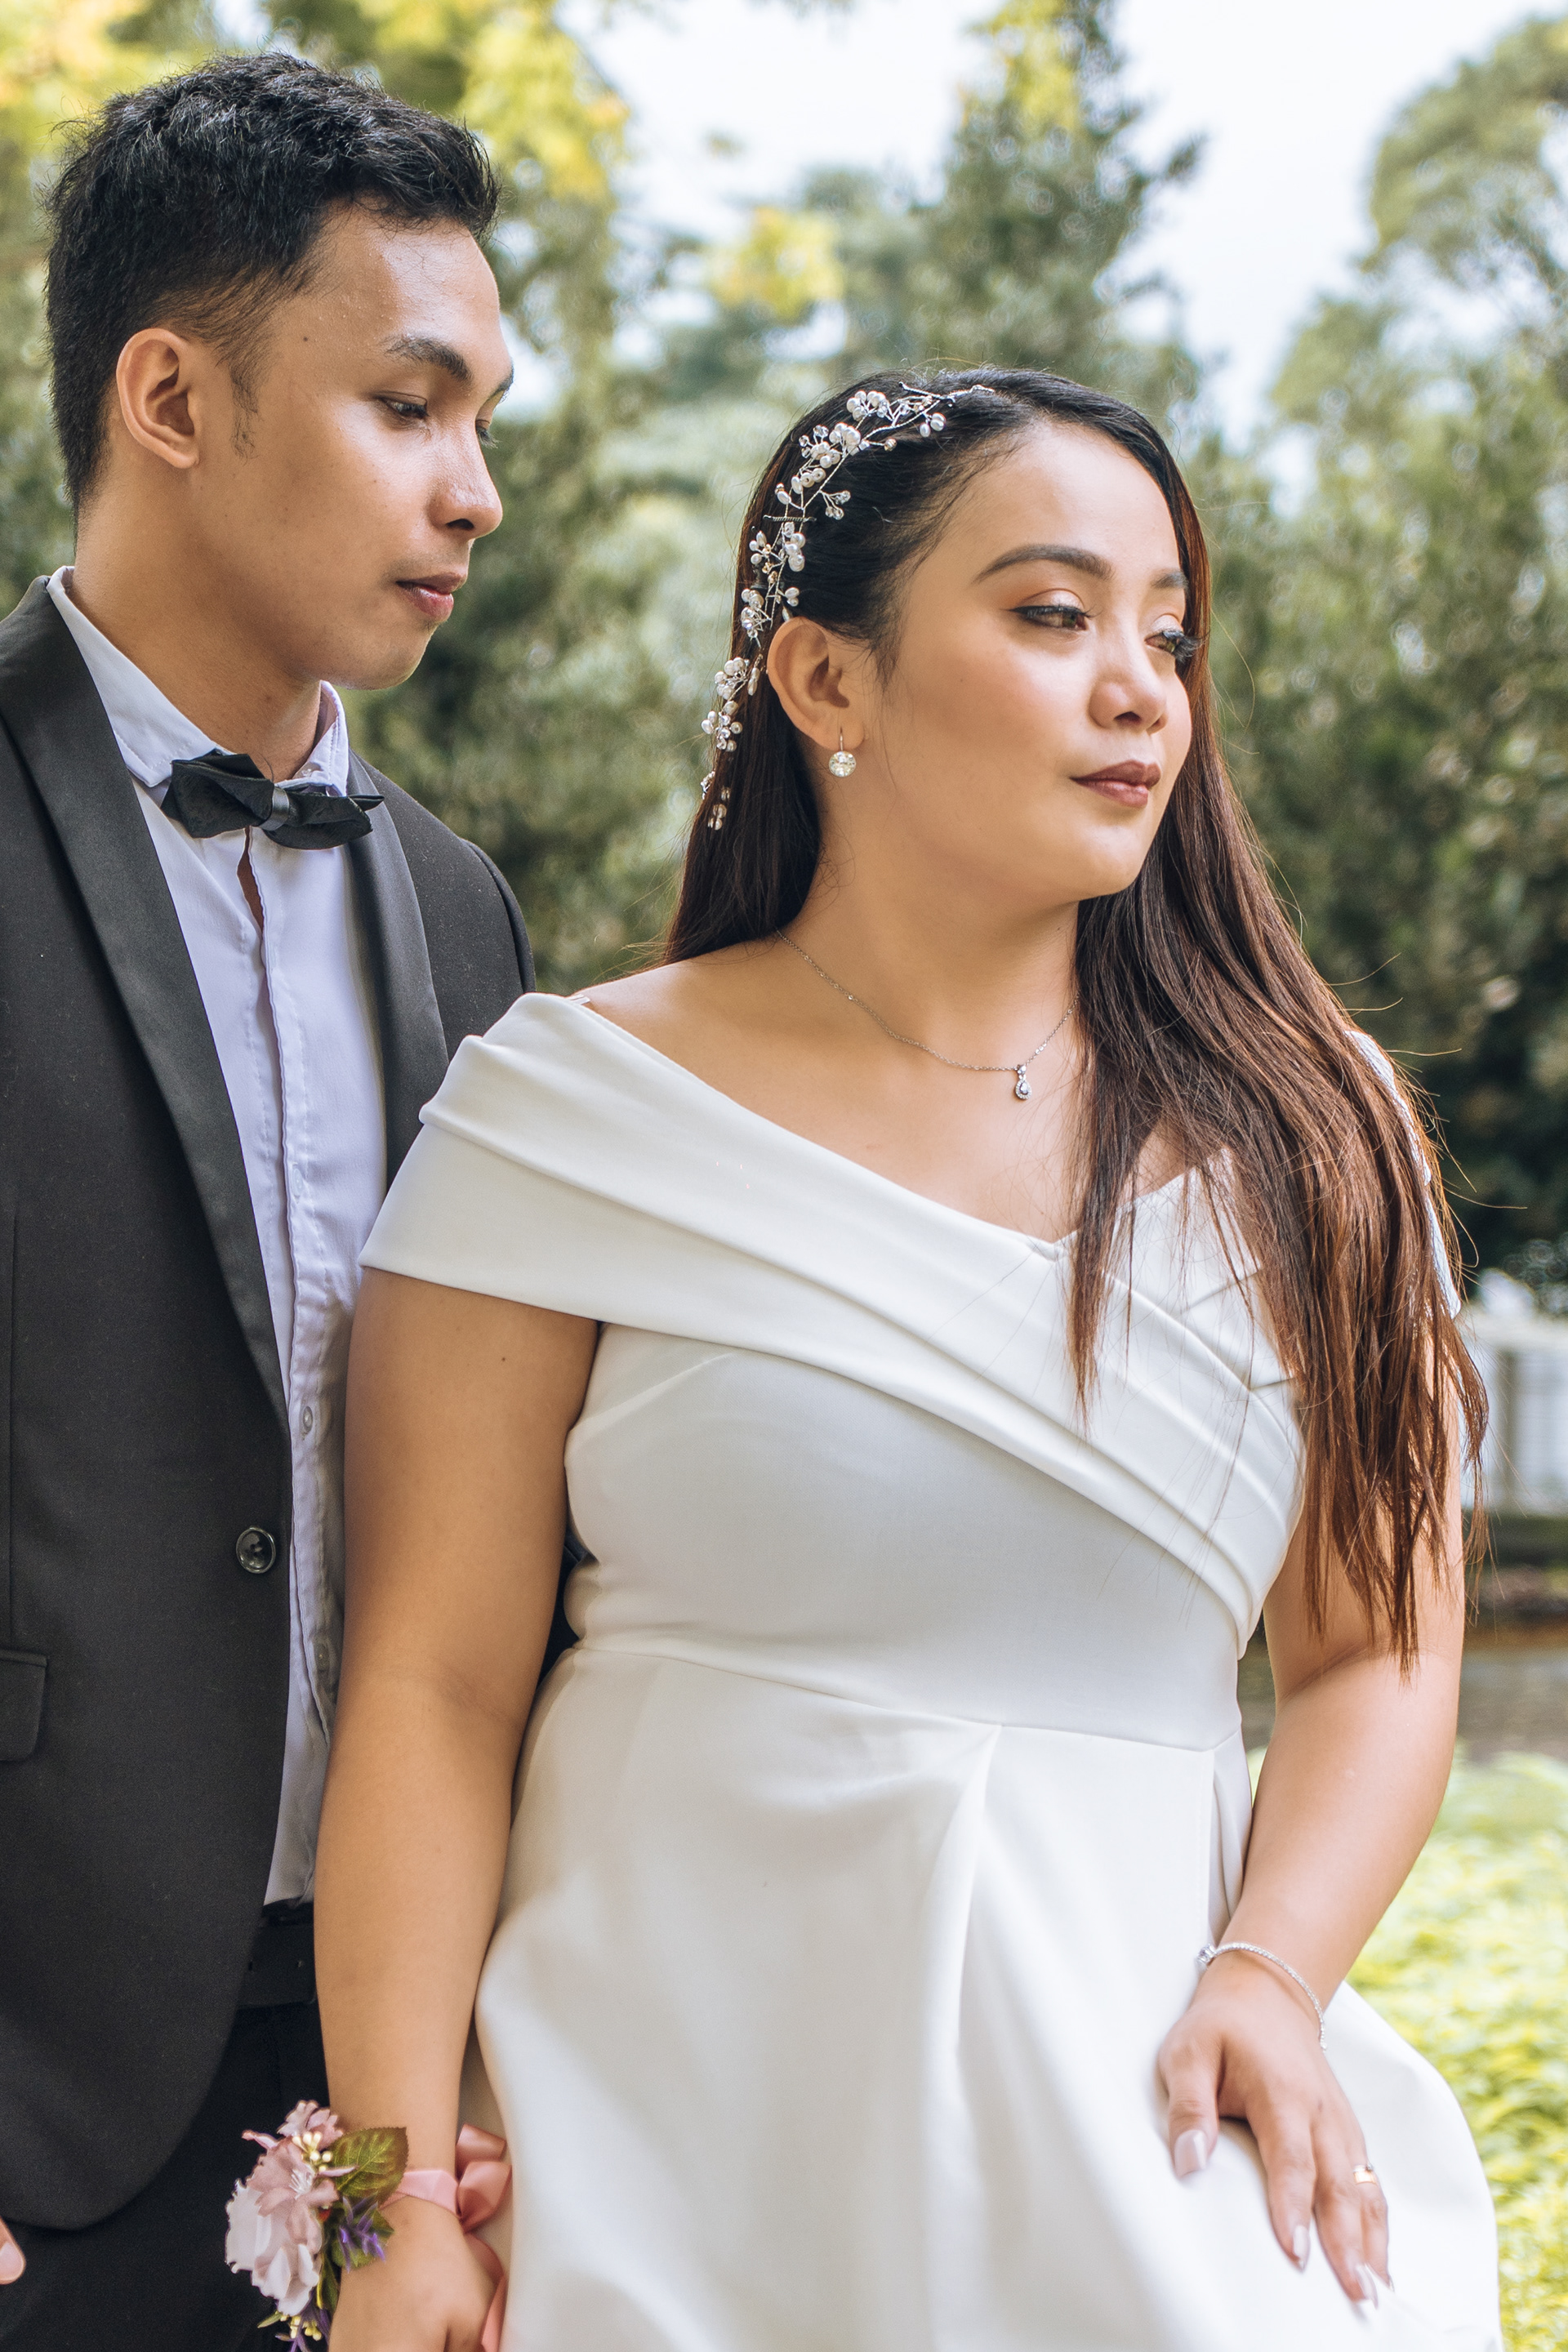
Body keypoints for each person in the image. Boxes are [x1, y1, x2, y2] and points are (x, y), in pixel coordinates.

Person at [319, 369, 1502, 2351]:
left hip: (1151, 2128)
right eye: (1052, 614)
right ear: (825, 679)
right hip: (659, 2147)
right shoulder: (564, 1113)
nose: (1139, 690)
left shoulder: (1324, 1132)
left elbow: (1376, 1651)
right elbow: (432, 1691)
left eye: (1169, 636)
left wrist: (1274, 1974)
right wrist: (396, 2204)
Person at [0, 52, 533, 2350]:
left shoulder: (463, 914)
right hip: (36, 2087)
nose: (474, 488)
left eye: (483, 419)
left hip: (396, 2090)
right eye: (409, 405)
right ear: (171, 400)